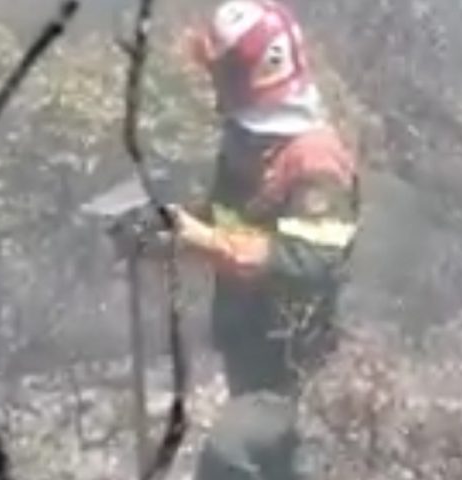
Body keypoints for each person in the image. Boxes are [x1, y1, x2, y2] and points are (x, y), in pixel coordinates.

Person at [168, 1, 361, 478]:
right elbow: (228, 217)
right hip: (249, 351)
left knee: (229, 459)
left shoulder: (314, 158)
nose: (218, 90)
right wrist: (171, 231)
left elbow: (312, 258)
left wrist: (207, 242)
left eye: (227, 75)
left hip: (294, 366)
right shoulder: (247, 143)